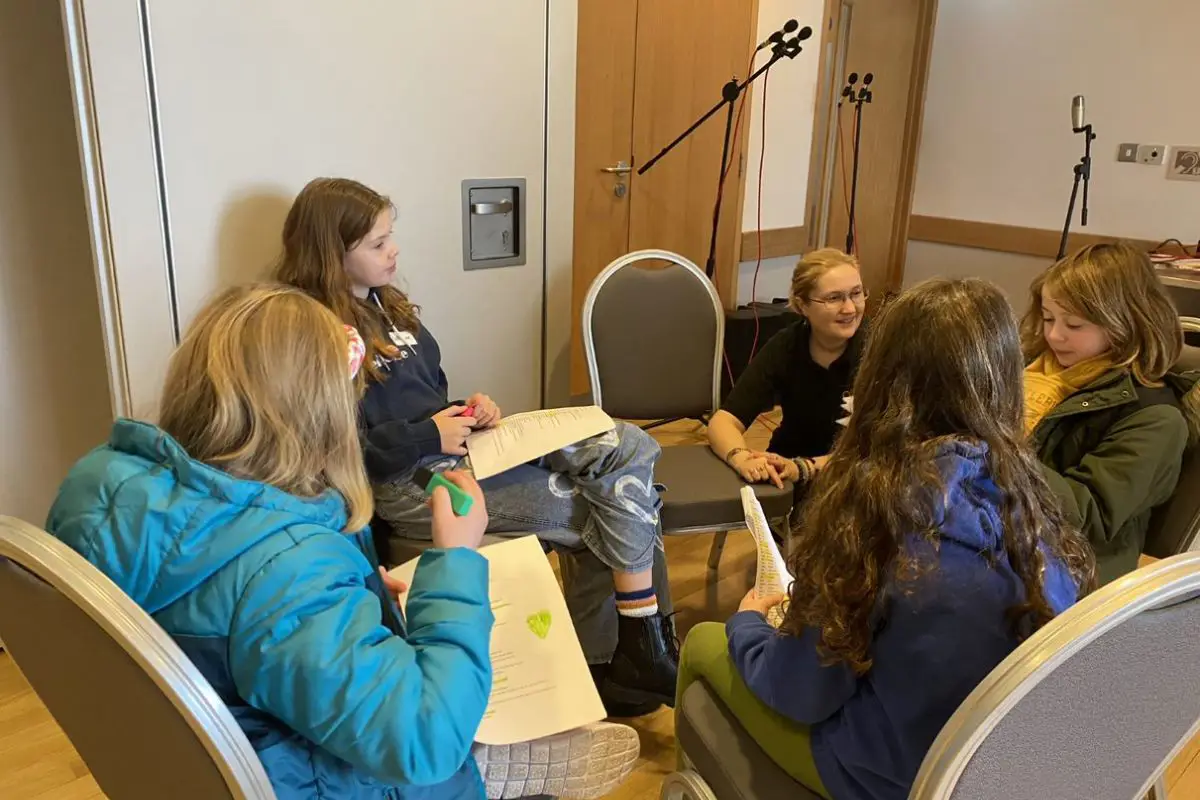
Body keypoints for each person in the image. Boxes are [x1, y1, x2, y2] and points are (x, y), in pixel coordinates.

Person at [45, 284, 639, 799]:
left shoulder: (100, 484)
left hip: (227, 750)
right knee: (454, 738)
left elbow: (228, 620)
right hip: (320, 775)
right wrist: (455, 557)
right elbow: (420, 742)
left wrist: (348, 593)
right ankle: (495, 760)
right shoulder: (284, 569)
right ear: (320, 412)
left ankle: (502, 753)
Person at [677, 278, 1095, 800]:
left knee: (704, 643)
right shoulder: (1032, 503)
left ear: (882, 379)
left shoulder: (877, 514)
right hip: (997, 772)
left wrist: (748, 623)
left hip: (896, 777)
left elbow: (802, 692)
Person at [273, 177, 677, 716]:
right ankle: (624, 655)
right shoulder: (316, 331)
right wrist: (428, 435)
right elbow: (333, 451)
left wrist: (469, 409)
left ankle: (630, 649)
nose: (393, 251)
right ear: (332, 253)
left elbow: (422, 398)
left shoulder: (391, 310)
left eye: (390, 236)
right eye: (376, 244)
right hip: (410, 483)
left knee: (625, 446)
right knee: (621, 504)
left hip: (460, 451)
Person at [1021, 242, 1200, 585]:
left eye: (1074, 325)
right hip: (1007, 539)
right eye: (1048, 318)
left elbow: (1090, 515)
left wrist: (998, 449)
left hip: (1070, 572)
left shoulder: (1157, 419)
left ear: (1126, 324)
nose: (1055, 335)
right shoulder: (1034, 373)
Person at [707, 248, 866, 490]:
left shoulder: (880, 351)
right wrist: (742, 458)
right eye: (834, 298)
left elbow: (876, 451)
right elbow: (725, 420)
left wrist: (802, 468)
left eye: (856, 294)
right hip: (787, 469)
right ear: (802, 306)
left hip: (853, 477)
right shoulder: (786, 346)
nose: (850, 309)